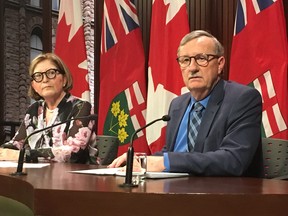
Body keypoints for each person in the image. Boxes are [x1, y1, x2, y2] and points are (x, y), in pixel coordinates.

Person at [108, 30, 263, 177]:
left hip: (222, 196)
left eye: (202, 59)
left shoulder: (243, 99)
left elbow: (234, 159)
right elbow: (171, 152)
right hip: (174, 190)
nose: (192, 68)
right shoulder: (178, 105)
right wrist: (140, 160)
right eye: (185, 60)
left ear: (220, 64)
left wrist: (165, 162)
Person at [0, 53, 96, 163]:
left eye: (51, 73)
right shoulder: (34, 109)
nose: (45, 79)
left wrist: (25, 155)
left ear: (64, 79)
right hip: (38, 175)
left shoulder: (82, 107)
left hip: (75, 176)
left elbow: (74, 152)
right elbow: (16, 143)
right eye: (38, 76)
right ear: (34, 86)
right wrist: (3, 151)